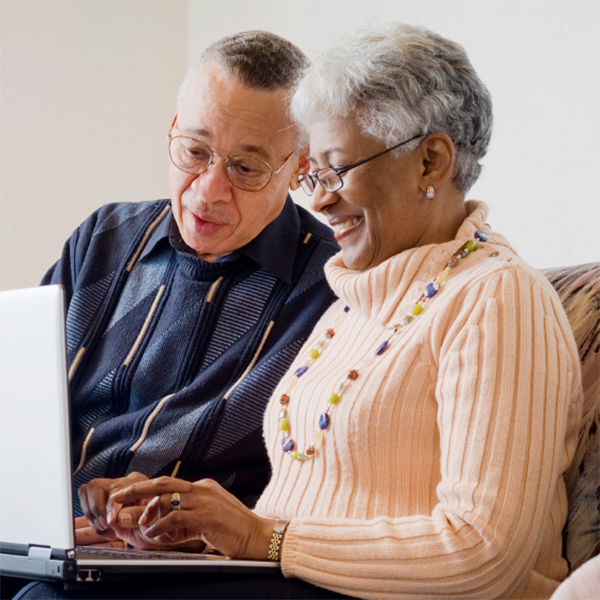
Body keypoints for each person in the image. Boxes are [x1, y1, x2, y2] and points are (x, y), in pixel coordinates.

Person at [18, 23, 583, 600]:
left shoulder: (498, 297)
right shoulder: (360, 294)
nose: (318, 197)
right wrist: (193, 534)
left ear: (432, 162)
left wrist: (261, 536)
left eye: (335, 169)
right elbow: (297, 512)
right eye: (316, 174)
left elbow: (486, 554)